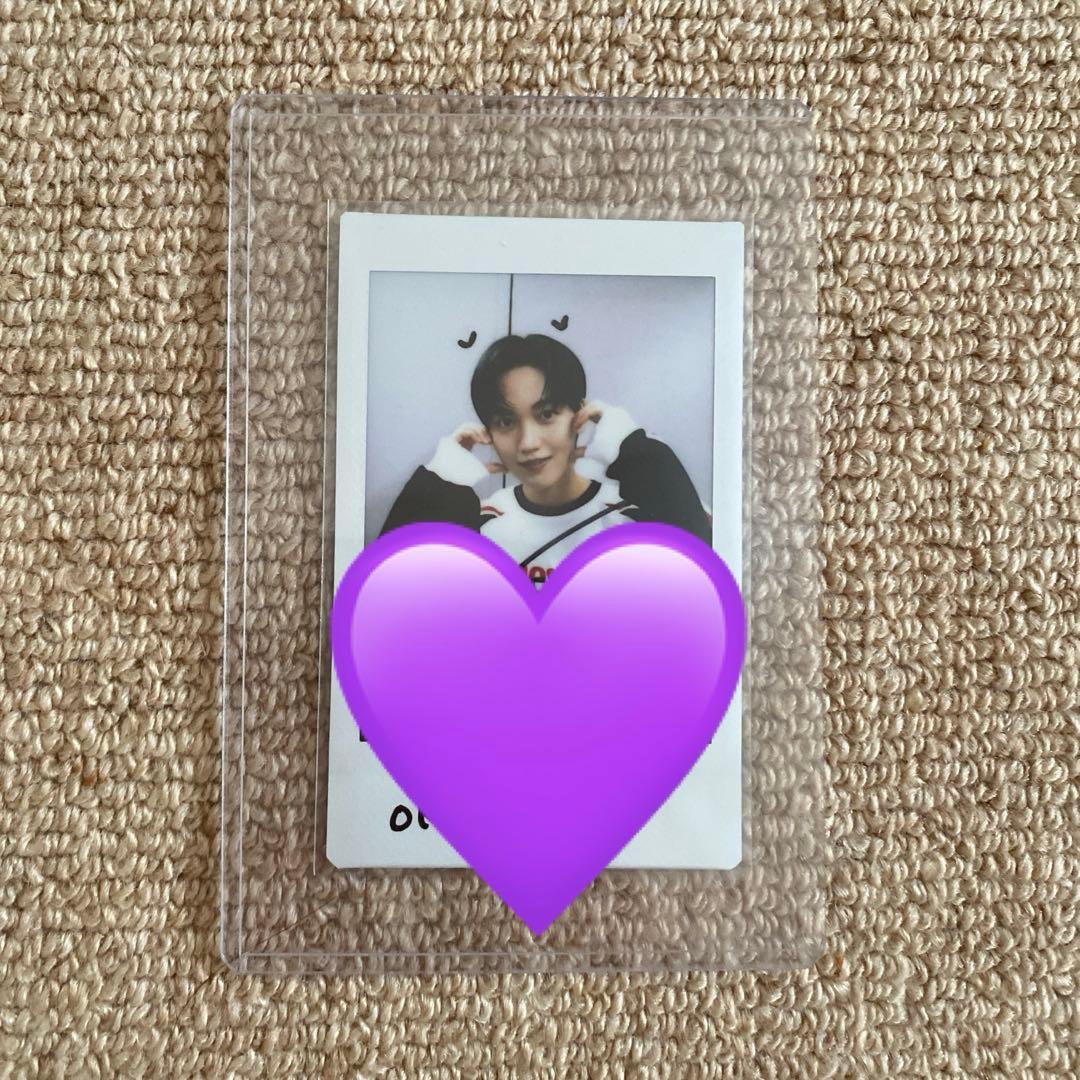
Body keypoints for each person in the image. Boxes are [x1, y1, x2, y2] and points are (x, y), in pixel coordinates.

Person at [380, 333, 711, 587]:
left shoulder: (641, 512)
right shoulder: (478, 525)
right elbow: (385, 601)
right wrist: (440, 483)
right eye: (506, 422)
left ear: (579, 414)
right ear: (488, 433)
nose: (528, 443)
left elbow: (706, 593)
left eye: (547, 414)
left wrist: (636, 452)